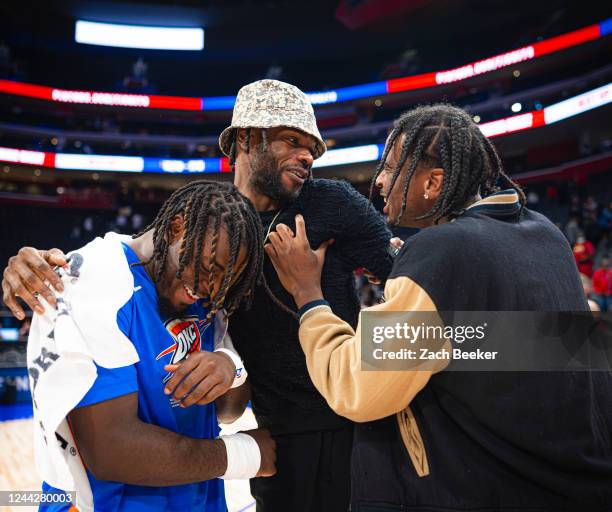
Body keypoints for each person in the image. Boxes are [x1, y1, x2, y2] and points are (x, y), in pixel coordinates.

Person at [2, 80, 395, 512]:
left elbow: (409, 280)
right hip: (278, 436)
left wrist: (400, 376)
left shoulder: (332, 202)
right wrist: (41, 264)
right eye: (292, 141)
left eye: (312, 149)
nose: (306, 156)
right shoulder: (202, 223)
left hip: (357, 424)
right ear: (246, 139)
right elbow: (127, 260)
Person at [264, 104, 612, 510]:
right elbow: (502, 347)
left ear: (433, 182)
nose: (380, 182)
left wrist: (308, 295)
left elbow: (355, 388)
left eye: (392, 168)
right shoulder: (544, 233)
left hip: (480, 490)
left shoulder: (442, 254)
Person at [25, 181, 276, 511]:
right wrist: (246, 455)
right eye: (209, 270)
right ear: (176, 228)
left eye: (224, 280)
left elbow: (226, 412)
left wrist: (230, 365)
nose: (210, 289)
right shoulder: (94, 280)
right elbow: (111, 451)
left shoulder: (200, 291)